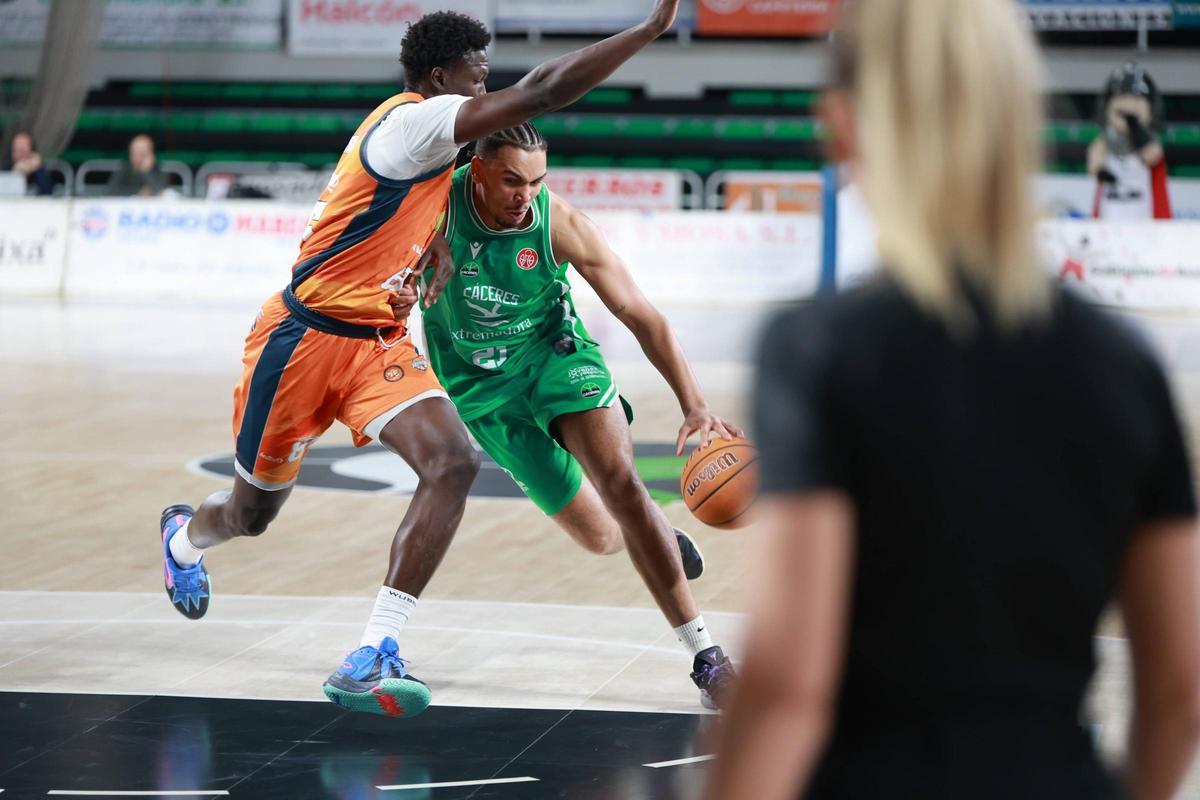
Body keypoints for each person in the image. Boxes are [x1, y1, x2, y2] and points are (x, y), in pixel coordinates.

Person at [708, 0, 1200, 798]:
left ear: (843, 128)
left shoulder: (820, 350)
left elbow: (788, 688)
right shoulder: (1126, 366)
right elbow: (1179, 691)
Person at [158, 4, 682, 721]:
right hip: (302, 342)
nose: (485, 90)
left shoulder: (439, 144)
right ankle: (184, 541)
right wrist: (648, 32)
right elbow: (543, 91)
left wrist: (431, 242)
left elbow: (423, 200)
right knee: (251, 515)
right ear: (441, 78)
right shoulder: (415, 121)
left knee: (453, 461)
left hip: (377, 343)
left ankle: (374, 650)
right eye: (477, 78)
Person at [407, 124, 739, 707]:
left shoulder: (557, 222)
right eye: (511, 181)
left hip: (557, 359)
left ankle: (707, 658)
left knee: (623, 484)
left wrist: (696, 405)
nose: (524, 196)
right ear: (477, 169)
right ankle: (659, 535)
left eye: (537, 181)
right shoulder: (428, 209)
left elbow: (642, 314)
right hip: (484, 393)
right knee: (602, 536)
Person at [1087, 62, 1172, 220]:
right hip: (1110, 215)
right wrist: (1101, 171)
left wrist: (1135, 127)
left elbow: (1151, 155)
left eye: (1136, 98)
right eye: (1122, 97)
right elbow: (1095, 161)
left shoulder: (1150, 141)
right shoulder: (1105, 142)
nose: (1128, 103)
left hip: (1144, 220)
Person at [2, 131, 53, 196]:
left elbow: (48, 196)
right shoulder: (5, 170)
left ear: (32, 151)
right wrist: (15, 174)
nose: (20, 153)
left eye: (23, 149)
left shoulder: (40, 170)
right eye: (17, 149)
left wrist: (37, 169)